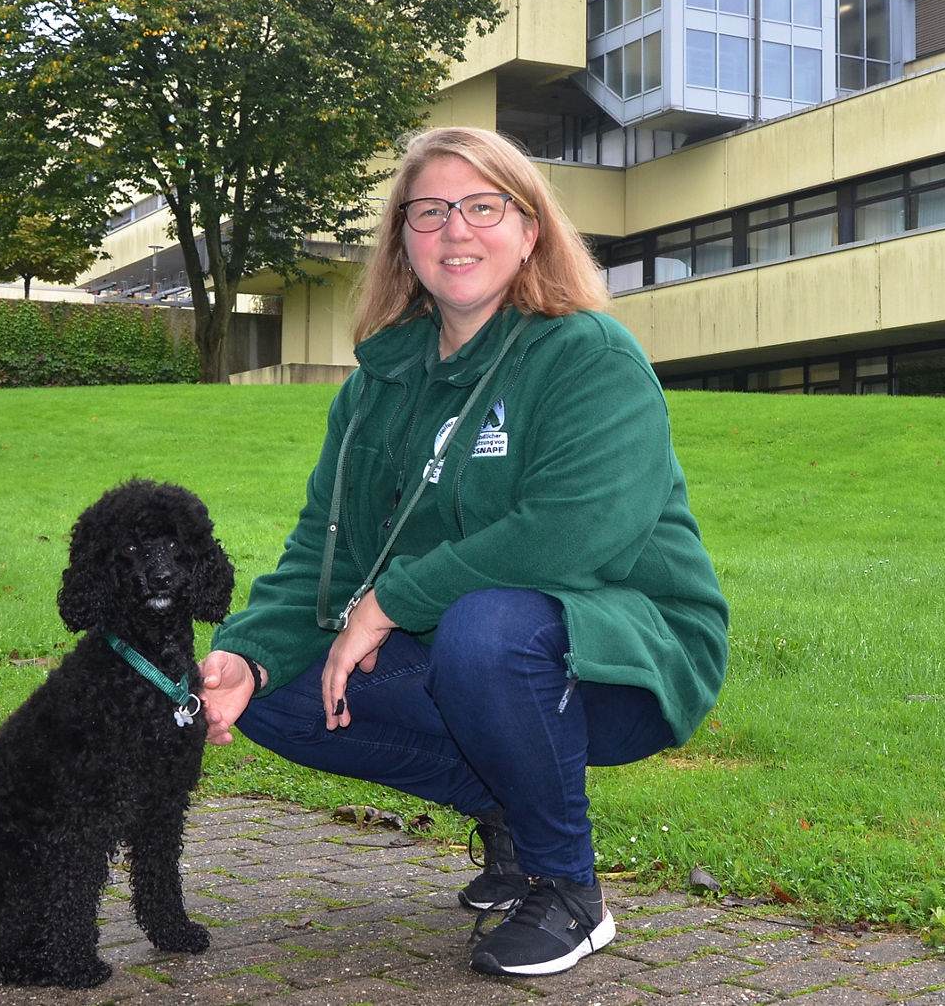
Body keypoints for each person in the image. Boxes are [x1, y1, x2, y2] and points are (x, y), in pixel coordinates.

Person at [198, 126, 728, 977]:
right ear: (403, 241)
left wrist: (392, 603)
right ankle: (514, 808)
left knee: (489, 627)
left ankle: (568, 891)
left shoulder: (587, 354)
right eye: (431, 210)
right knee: (277, 692)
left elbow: (576, 530)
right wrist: (246, 654)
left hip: (621, 653)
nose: (456, 230)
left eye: (485, 207)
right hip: (467, 653)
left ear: (530, 231)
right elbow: (321, 556)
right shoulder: (378, 386)